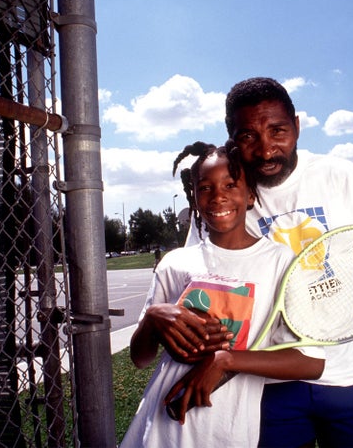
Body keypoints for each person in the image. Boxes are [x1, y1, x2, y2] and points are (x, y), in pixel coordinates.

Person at [188, 77, 353, 448]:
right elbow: (204, 287)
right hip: (265, 387)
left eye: (277, 131)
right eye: (248, 137)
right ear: (232, 139)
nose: (267, 150)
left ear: (297, 126)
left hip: (347, 378)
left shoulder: (341, 178)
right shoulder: (226, 197)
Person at [120, 142, 324, 447]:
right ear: (195, 198)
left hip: (227, 432)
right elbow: (140, 358)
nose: (218, 196)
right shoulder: (176, 262)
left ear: (251, 194)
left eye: (231, 184)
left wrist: (226, 360)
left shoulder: (280, 262)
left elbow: (311, 363)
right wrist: (153, 317)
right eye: (205, 188)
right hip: (158, 431)